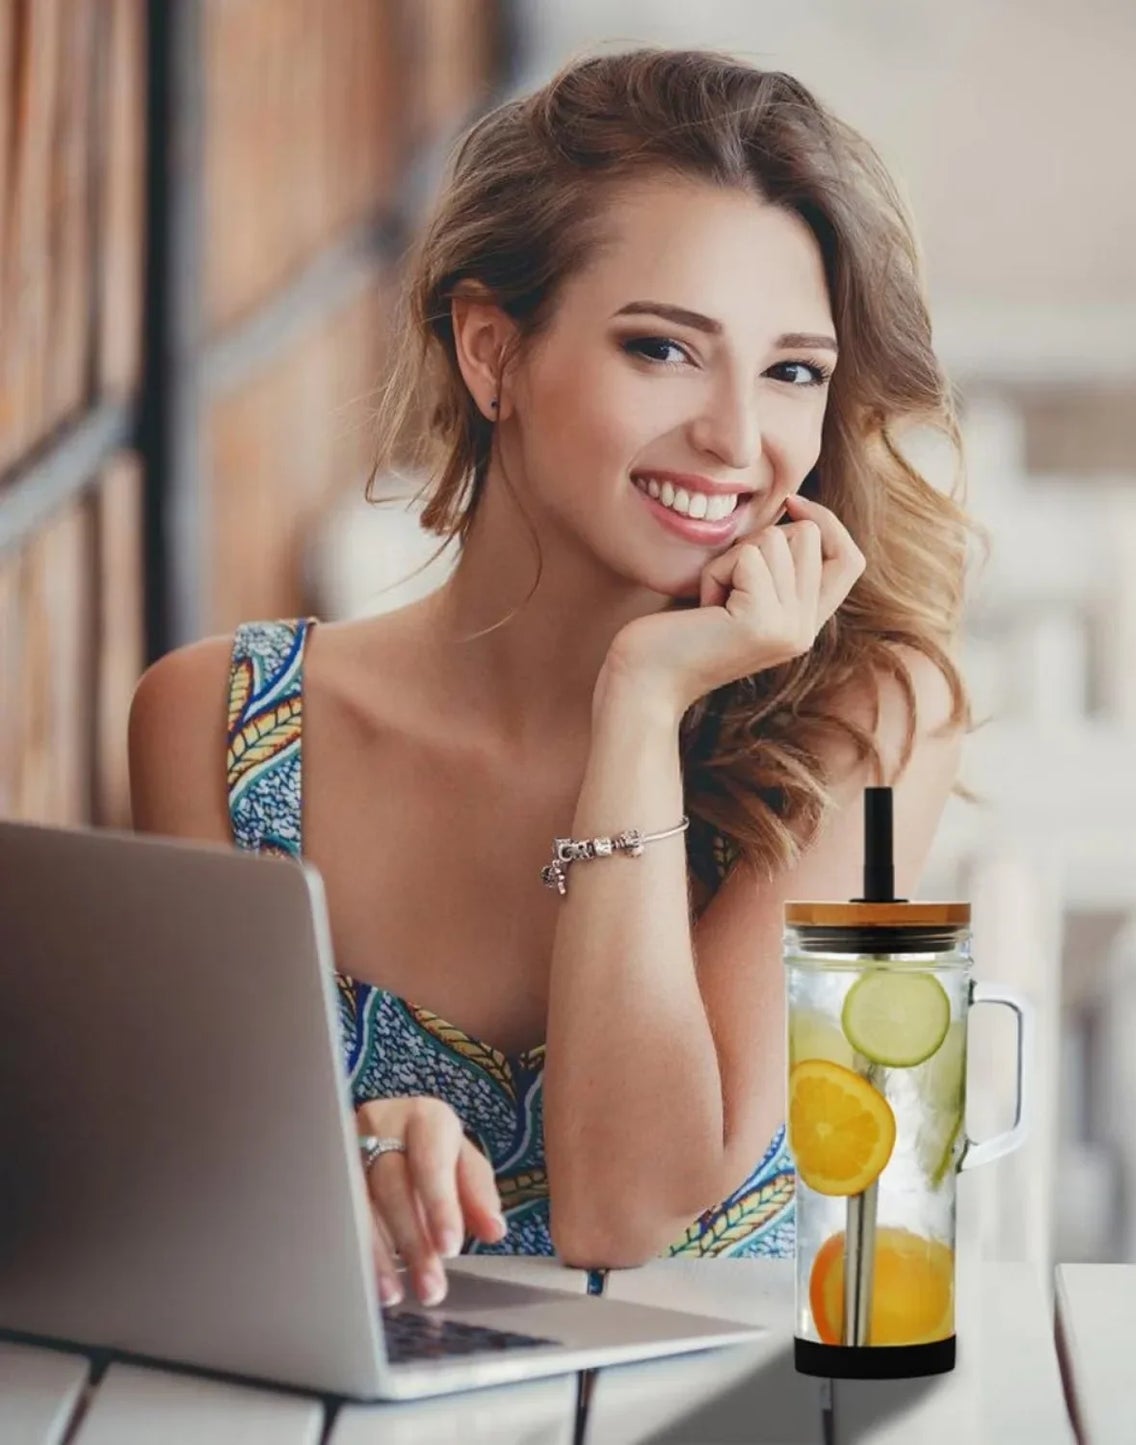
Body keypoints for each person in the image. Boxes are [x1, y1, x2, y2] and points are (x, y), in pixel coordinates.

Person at [128, 47, 971, 1306]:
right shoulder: (218, 725)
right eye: (663, 350)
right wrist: (343, 1152)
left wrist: (637, 705)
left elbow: (624, 1208)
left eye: (792, 369)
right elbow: (192, 1201)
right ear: (491, 353)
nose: (739, 439)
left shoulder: (862, 716)